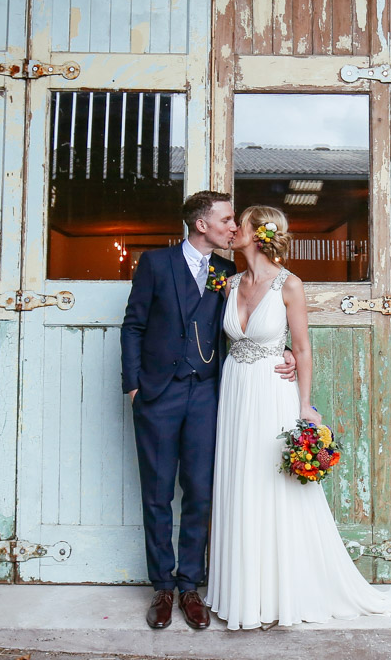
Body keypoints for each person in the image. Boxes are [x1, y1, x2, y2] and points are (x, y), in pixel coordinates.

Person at [207, 205, 391, 629]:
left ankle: (283, 591)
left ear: (258, 234)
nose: (232, 229)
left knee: (273, 484)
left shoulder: (289, 285)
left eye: (238, 224)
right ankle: (244, 591)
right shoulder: (229, 283)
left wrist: (304, 405)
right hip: (235, 392)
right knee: (240, 482)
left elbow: (303, 347)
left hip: (272, 392)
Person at [121, 191, 296, 631]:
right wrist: (134, 386)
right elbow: (134, 325)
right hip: (159, 396)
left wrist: (287, 351)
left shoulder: (226, 273)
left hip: (208, 398)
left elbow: (252, 324)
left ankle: (189, 586)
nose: (233, 227)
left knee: (200, 493)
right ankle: (162, 587)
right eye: (226, 220)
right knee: (158, 494)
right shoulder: (156, 264)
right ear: (202, 224)